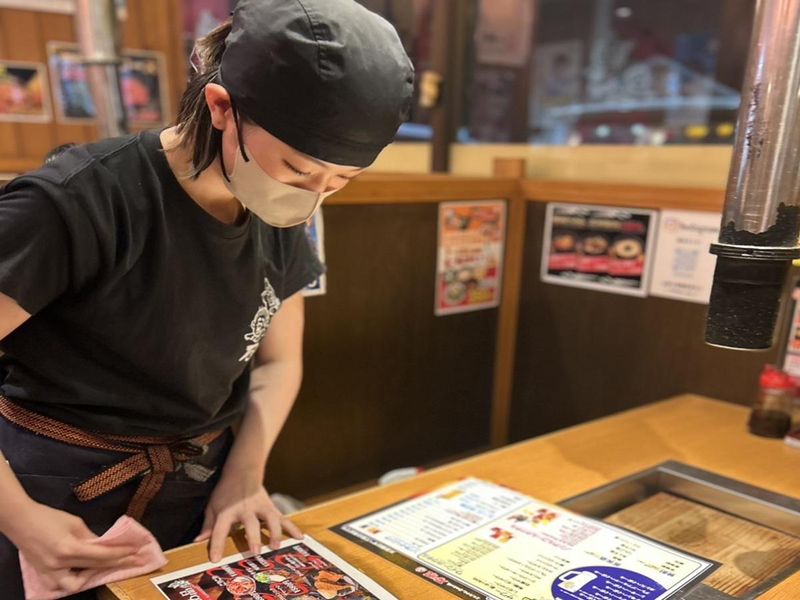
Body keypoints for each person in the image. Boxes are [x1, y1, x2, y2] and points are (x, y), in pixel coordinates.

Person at [0, 0, 414, 596]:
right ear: (222, 108)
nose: (312, 201)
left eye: (341, 180)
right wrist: (21, 520)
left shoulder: (279, 209)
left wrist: (246, 474)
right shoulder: (75, 203)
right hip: (50, 498)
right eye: (298, 170)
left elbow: (277, 362)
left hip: (198, 491)